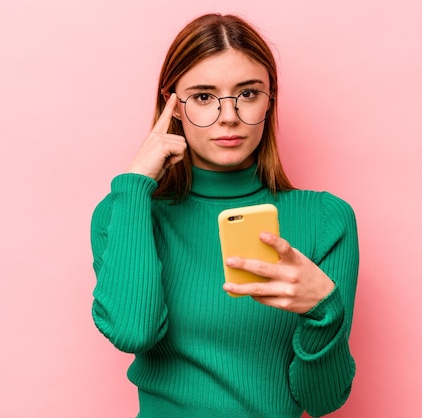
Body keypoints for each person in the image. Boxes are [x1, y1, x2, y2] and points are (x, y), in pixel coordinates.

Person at [90, 13, 359, 418]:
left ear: (270, 100)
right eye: (203, 96)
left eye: (248, 93)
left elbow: (322, 401)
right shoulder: (125, 211)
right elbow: (133, 331)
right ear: (173, 107)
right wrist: (134, 185)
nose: (229, 115)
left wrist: (324, 311)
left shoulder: (325, 219)